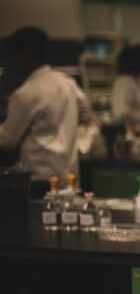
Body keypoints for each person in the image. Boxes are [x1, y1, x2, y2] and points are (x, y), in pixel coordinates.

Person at [0, 27, 89, 186]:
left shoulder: (26, 93)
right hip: (69, 174)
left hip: (39, 178)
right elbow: (86, 115)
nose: (11, 62)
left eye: (14, 55)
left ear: (26, 55)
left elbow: (7, 141)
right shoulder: (67, 82)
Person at [111, 44, 140, 125]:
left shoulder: (137, 81)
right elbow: (121, 113)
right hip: (132, 131)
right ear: (137, 61)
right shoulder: (124, 82)